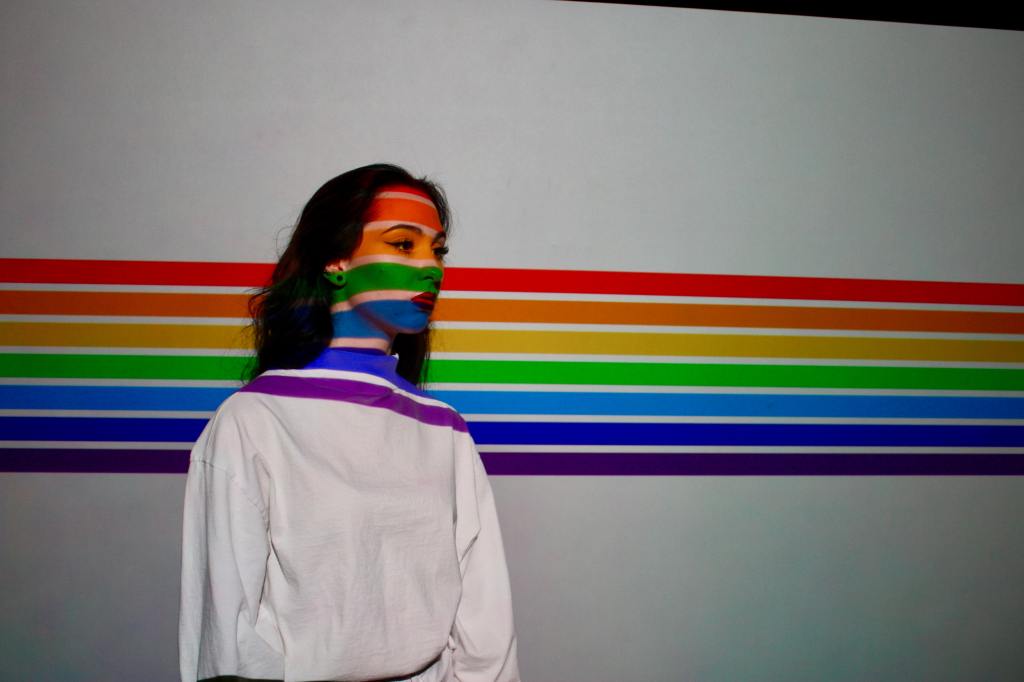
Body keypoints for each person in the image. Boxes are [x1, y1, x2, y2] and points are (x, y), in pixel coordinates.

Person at [179, 164, 520, 681]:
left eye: (438, 250)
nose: (431, 268)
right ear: (336, 259)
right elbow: (228, 632)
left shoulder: (444, 429)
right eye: (403, 244)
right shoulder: (255, 420)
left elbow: (485, 621)